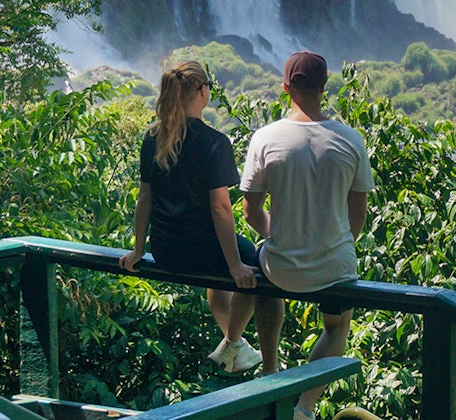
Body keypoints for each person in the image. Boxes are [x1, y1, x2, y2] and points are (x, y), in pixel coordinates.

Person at [241, 51, 375, 420]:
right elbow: (357, 214)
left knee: (259, 271)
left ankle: (270, 373)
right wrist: (328, 240)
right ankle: (304, 405)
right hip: (335, 267)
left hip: (280, 265)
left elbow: (250, 212)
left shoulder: (265, 138)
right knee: (336, 327)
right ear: (325, 87)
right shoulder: (350, 140)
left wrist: (281, 235)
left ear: (285, 87)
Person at [119, 61, 262, 374]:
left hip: (166, 250)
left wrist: (139, 249)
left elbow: (145, 197)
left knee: (228, 264)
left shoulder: (152, 137)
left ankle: (233, 345)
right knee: (254, 261)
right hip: (202, 250)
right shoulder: (215, 142)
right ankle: (234, 342)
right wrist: (236, 263)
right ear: (202, 91)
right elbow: (220, 209)